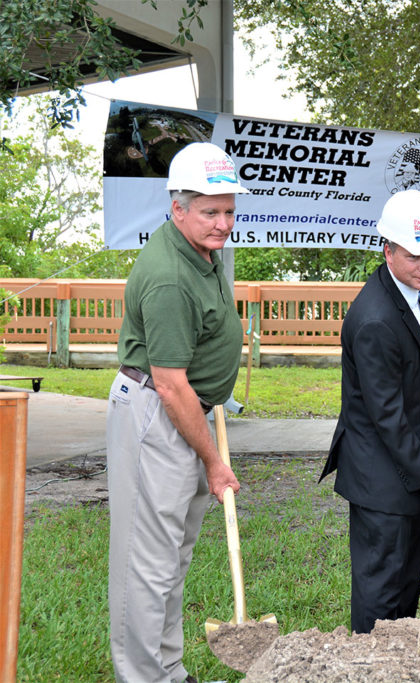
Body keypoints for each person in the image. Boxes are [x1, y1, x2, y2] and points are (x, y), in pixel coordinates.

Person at [107, 142, 247, 682]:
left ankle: (168, 669)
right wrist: (214, 462)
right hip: (157, 417)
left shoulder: (198, 253)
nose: (222, 223)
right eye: (210, 211)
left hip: (184, 414)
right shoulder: (169, 276)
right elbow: (170, 385)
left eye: (229, 210)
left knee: (171, 558)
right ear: (178, 208)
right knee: (147, 566)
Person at [320, 189, 420, 633]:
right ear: (388, 250)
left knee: (406, 583)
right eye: (415, 256)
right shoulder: (376, 318)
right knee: (381, 592)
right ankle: (369, 666)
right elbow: (386, 415)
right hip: (381, 475)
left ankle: (398, 666)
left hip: (407, 463)